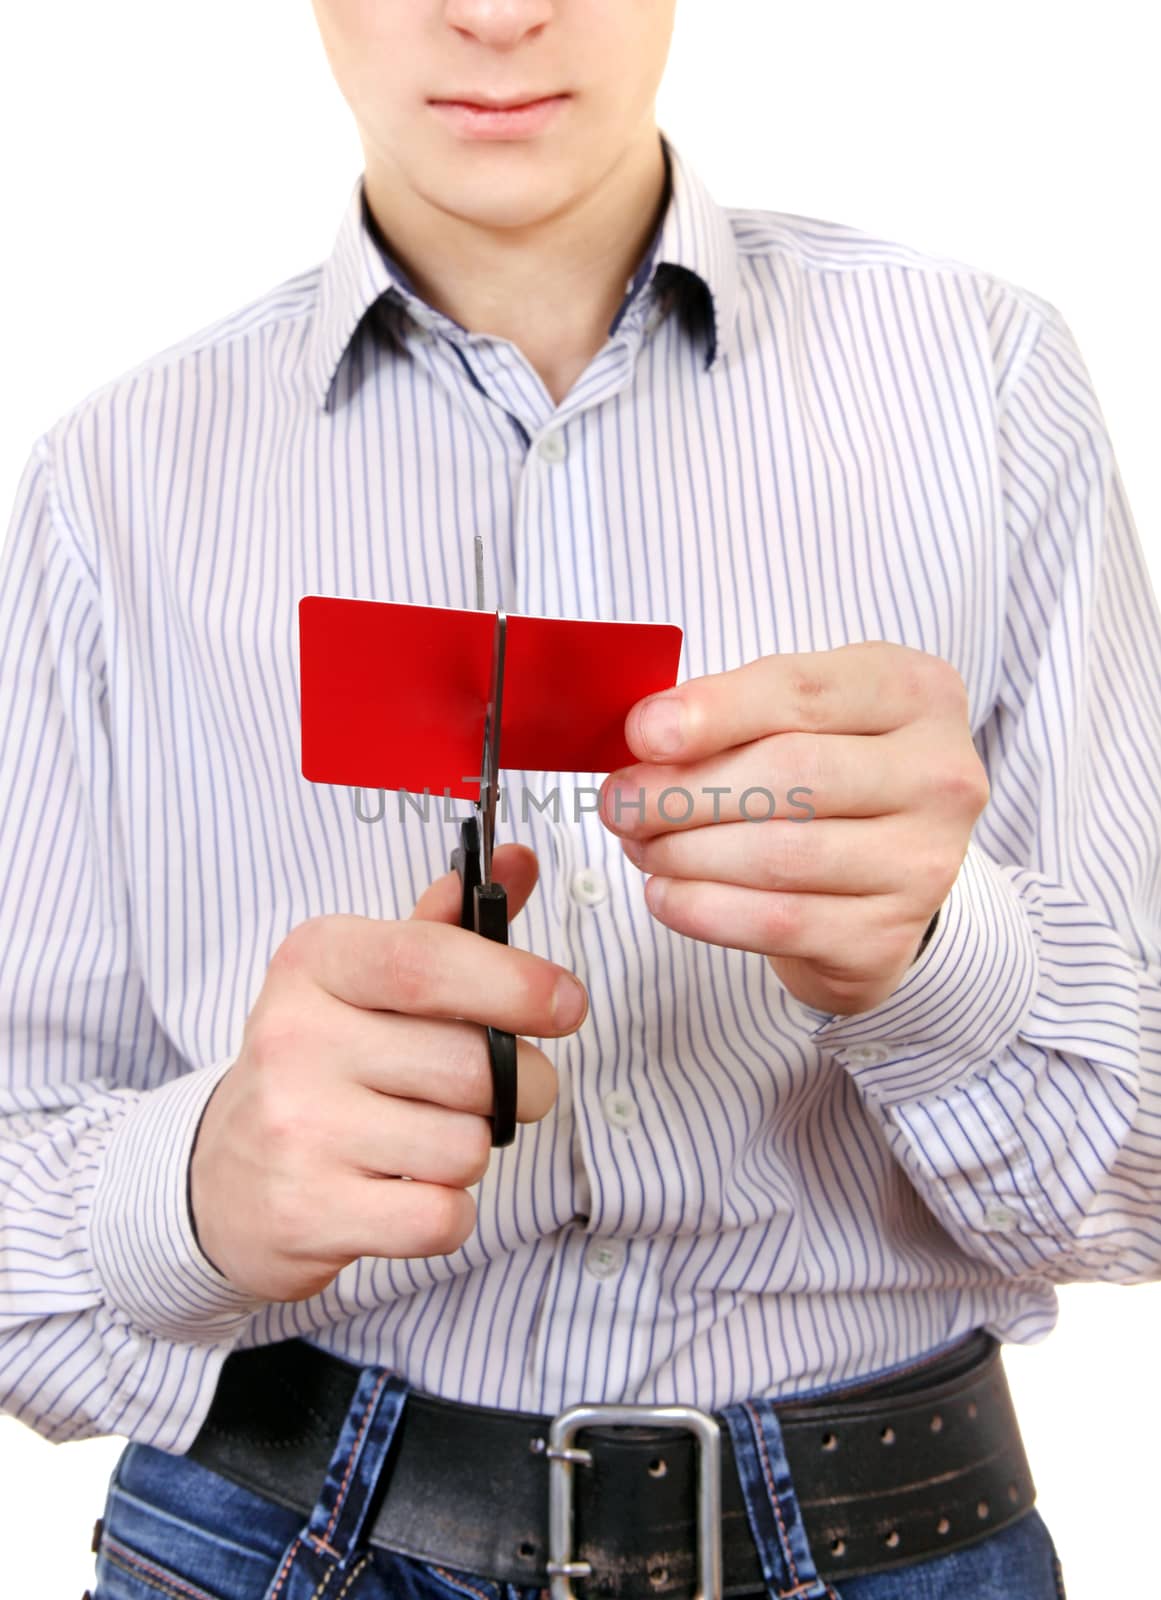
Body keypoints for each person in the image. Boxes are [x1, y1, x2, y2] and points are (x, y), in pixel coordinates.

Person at [1, 2, 1158, 1597]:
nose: (493, 11)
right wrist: (197, 1183)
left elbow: (1134, 1190)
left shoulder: (979, 377)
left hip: (887, 1529)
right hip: (275, 1532)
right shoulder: (110, 483)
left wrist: (941, 948)